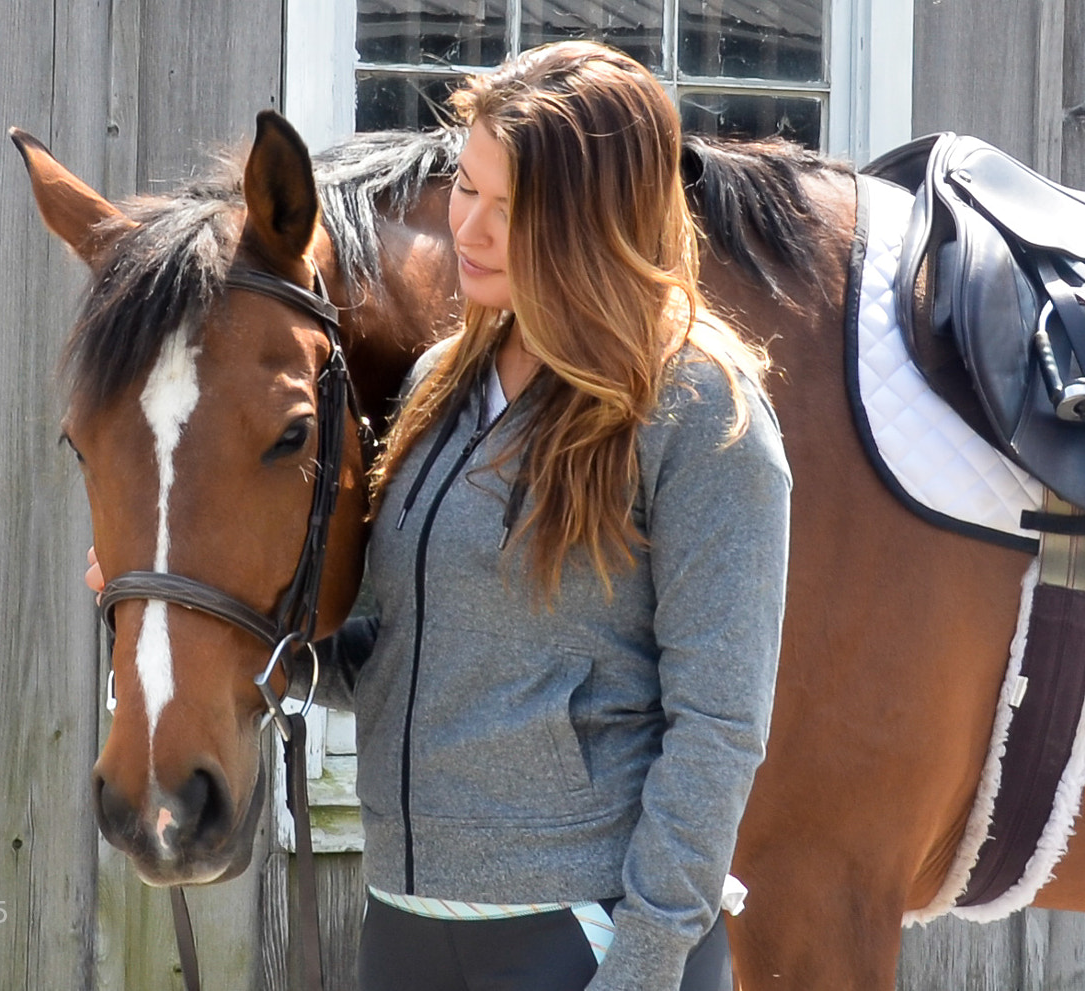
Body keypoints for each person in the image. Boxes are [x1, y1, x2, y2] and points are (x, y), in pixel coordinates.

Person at [90, 40, 790, 991]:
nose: (471, 228)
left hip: (579, 935)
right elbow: (406, 655)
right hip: (408, 925)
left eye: (513, 209)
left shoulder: (701, 412)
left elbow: (719, 727)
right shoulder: (440, 381)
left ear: (598, 222)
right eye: (467, 188)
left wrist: (644, 965)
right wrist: (196, 617)